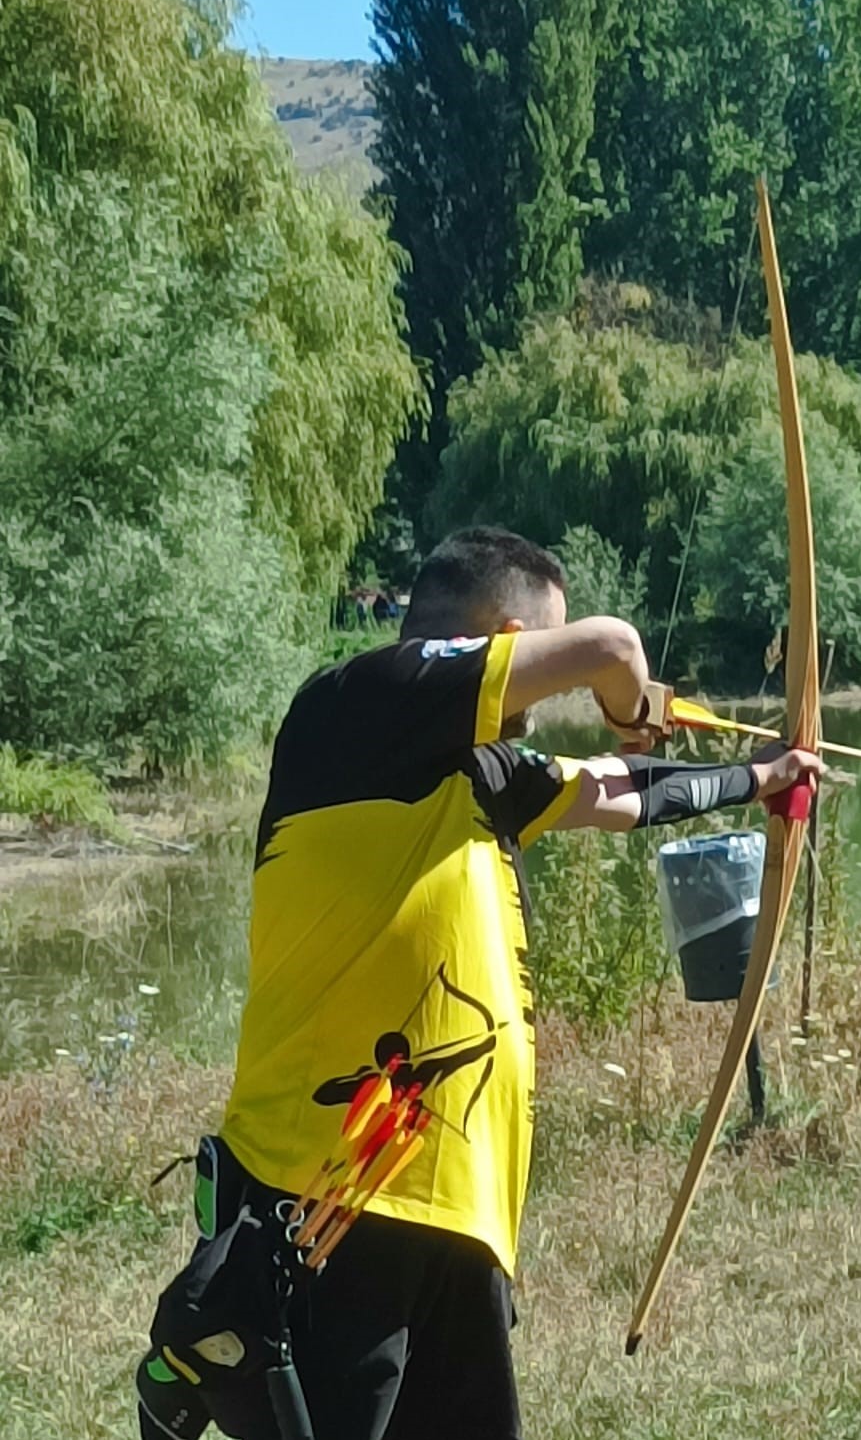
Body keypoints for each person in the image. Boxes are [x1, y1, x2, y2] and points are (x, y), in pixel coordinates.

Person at [136, 527, 821, 1440]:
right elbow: (612, 649)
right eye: (535, 645)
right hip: (326, 1202)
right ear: (500, 637)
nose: (531, 705)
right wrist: (632, 697)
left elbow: (616, 790)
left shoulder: (473, 772)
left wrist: (762, 776)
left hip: (459, 1212)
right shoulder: (355, 706)